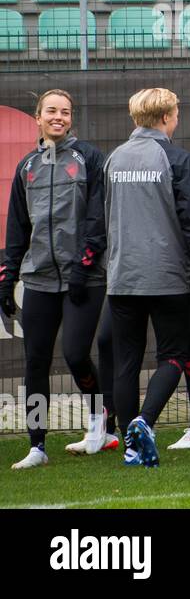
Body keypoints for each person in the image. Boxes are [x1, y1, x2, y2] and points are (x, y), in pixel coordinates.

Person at [103, 88, 190, 467]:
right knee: (174, 354)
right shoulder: (177, 158)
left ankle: (130, 445)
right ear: (167, 117)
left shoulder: (114, 159)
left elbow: (105, 217)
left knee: (126, 361)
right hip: (166, 275)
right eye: (176, 113)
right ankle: (143, 423)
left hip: (122, 276)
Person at [4, 90, 112, 469]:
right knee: (35, 361)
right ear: (38, 117)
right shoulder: (26, 166)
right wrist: (8, 279)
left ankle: (100, 419)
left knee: (75, 354)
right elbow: (17, 229)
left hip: (85, 276)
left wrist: (84, 265)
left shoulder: (90, 159)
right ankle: (37, 445)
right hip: (38, 279)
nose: (58, 117)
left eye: (65, 112)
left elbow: (98, 219)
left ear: (71, 119)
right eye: (51, 111)